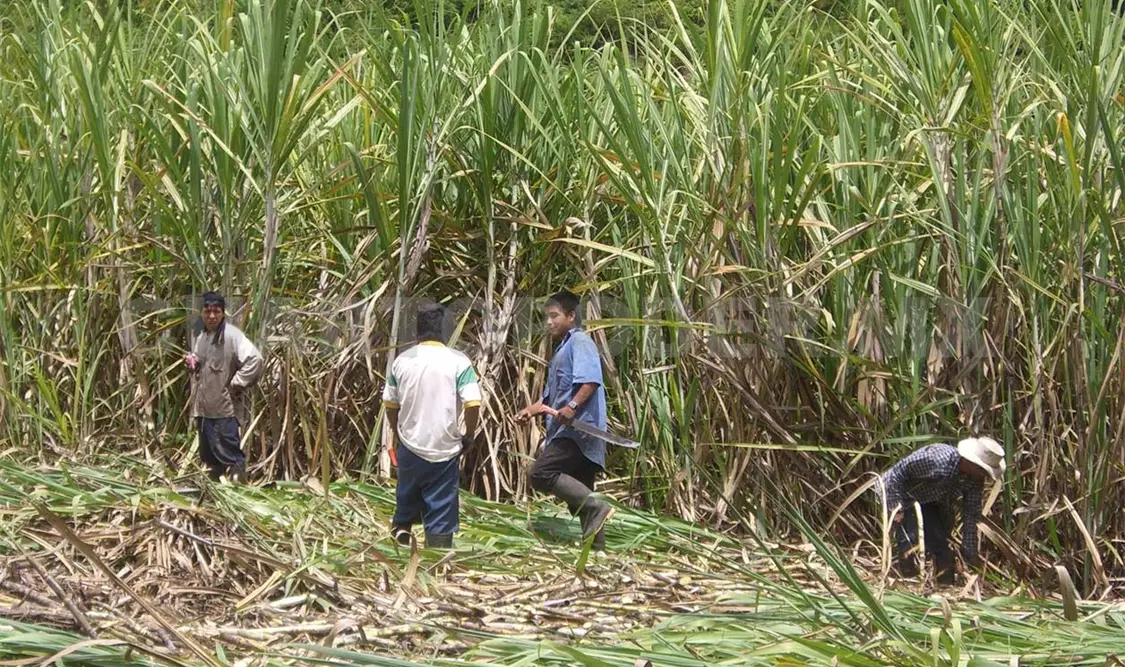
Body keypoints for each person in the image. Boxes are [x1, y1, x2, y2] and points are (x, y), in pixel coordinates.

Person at [517, 289, 613, 550]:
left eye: (554, 316)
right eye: (546, 317)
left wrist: (572, 406)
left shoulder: (580, 341)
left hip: (577, 433)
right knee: (582, 499)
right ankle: (597, 555)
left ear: (571, 316)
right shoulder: (562, 349)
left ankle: (599, 508)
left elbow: (591, 379)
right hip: (566, 430)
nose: (548, 322)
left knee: (541, 473)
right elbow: (552, 398)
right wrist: (532, 409)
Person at [382, 304, 481, 549]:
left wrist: (398, 433)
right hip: (444, 449)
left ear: (417, 331)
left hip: (410, 446)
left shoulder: (402, 361)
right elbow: (473, 402)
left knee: (405, 500)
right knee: (441, 509)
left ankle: (400, 557)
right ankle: (436, 565)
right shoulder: (459, 361)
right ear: (445, 330)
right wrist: (468, 435)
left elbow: (390, 404)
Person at [878, 437, 1005, 584]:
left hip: (929, 501)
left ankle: (946, 591)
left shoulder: (974, 480)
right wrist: (896, 508)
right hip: (901, 495)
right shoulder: (936, 460)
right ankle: (907, 587)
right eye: (983, 471)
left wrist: (969, 552)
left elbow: (971, 515)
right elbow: (897, 475)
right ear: (972, 463)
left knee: (943, 550)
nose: (984, 477)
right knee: (910, 545)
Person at [184, 291, 263, 482]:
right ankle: (214, 498)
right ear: (202, 312)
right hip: (204, 411)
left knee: (232, 456)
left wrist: (237, 383)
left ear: (223, 313)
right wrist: (192, 363)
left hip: (225, 410)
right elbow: (200, 364)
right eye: (208, 311)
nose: (212, 316)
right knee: (210, 458)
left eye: (216, 312)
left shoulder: (233, 336)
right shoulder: (202, 336)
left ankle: (238, 492)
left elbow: (255, 359)